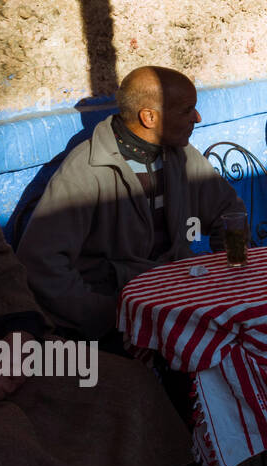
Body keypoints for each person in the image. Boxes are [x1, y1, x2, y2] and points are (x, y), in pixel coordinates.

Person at [17, 66, 246, 341]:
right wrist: (108, 316)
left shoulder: (181, 155)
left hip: (177, 299)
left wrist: (232, 266)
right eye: (187, 110)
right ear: (149, 117)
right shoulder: (86, 170)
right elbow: (41, 264)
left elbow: (229, 211)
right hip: (115, 312)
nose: (197, 118)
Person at [0, 220, 192, 466]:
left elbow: (4, 270)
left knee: (126, 384)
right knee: (8, 452)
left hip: (6, 351)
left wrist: (20, 333)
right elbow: (43, 261)